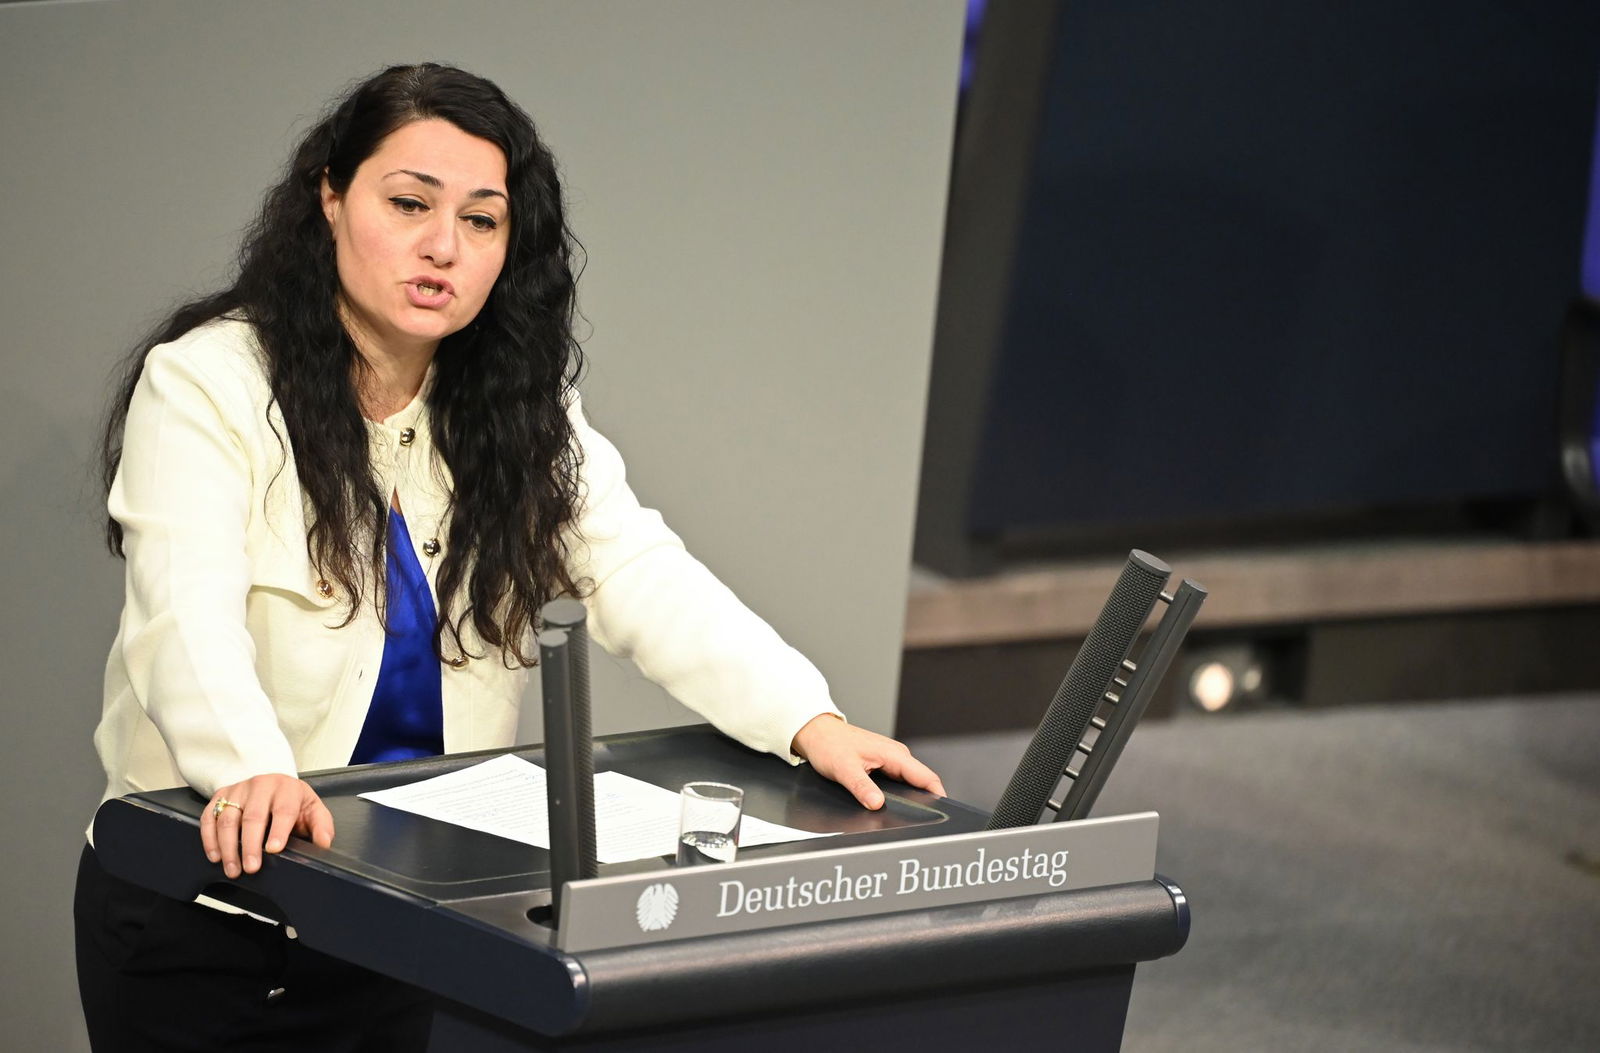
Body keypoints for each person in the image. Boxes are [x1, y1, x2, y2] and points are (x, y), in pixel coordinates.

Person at [76, 62, 945, 1051]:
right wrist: (249, 771)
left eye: (482, 221)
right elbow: (182, 611)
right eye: (407, 204)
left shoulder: (514, 405)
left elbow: (633, 572)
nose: (442, 247)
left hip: (406, 917)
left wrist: (806, 718)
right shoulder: (207, 383)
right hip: (209, 914)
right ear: (330, 197)